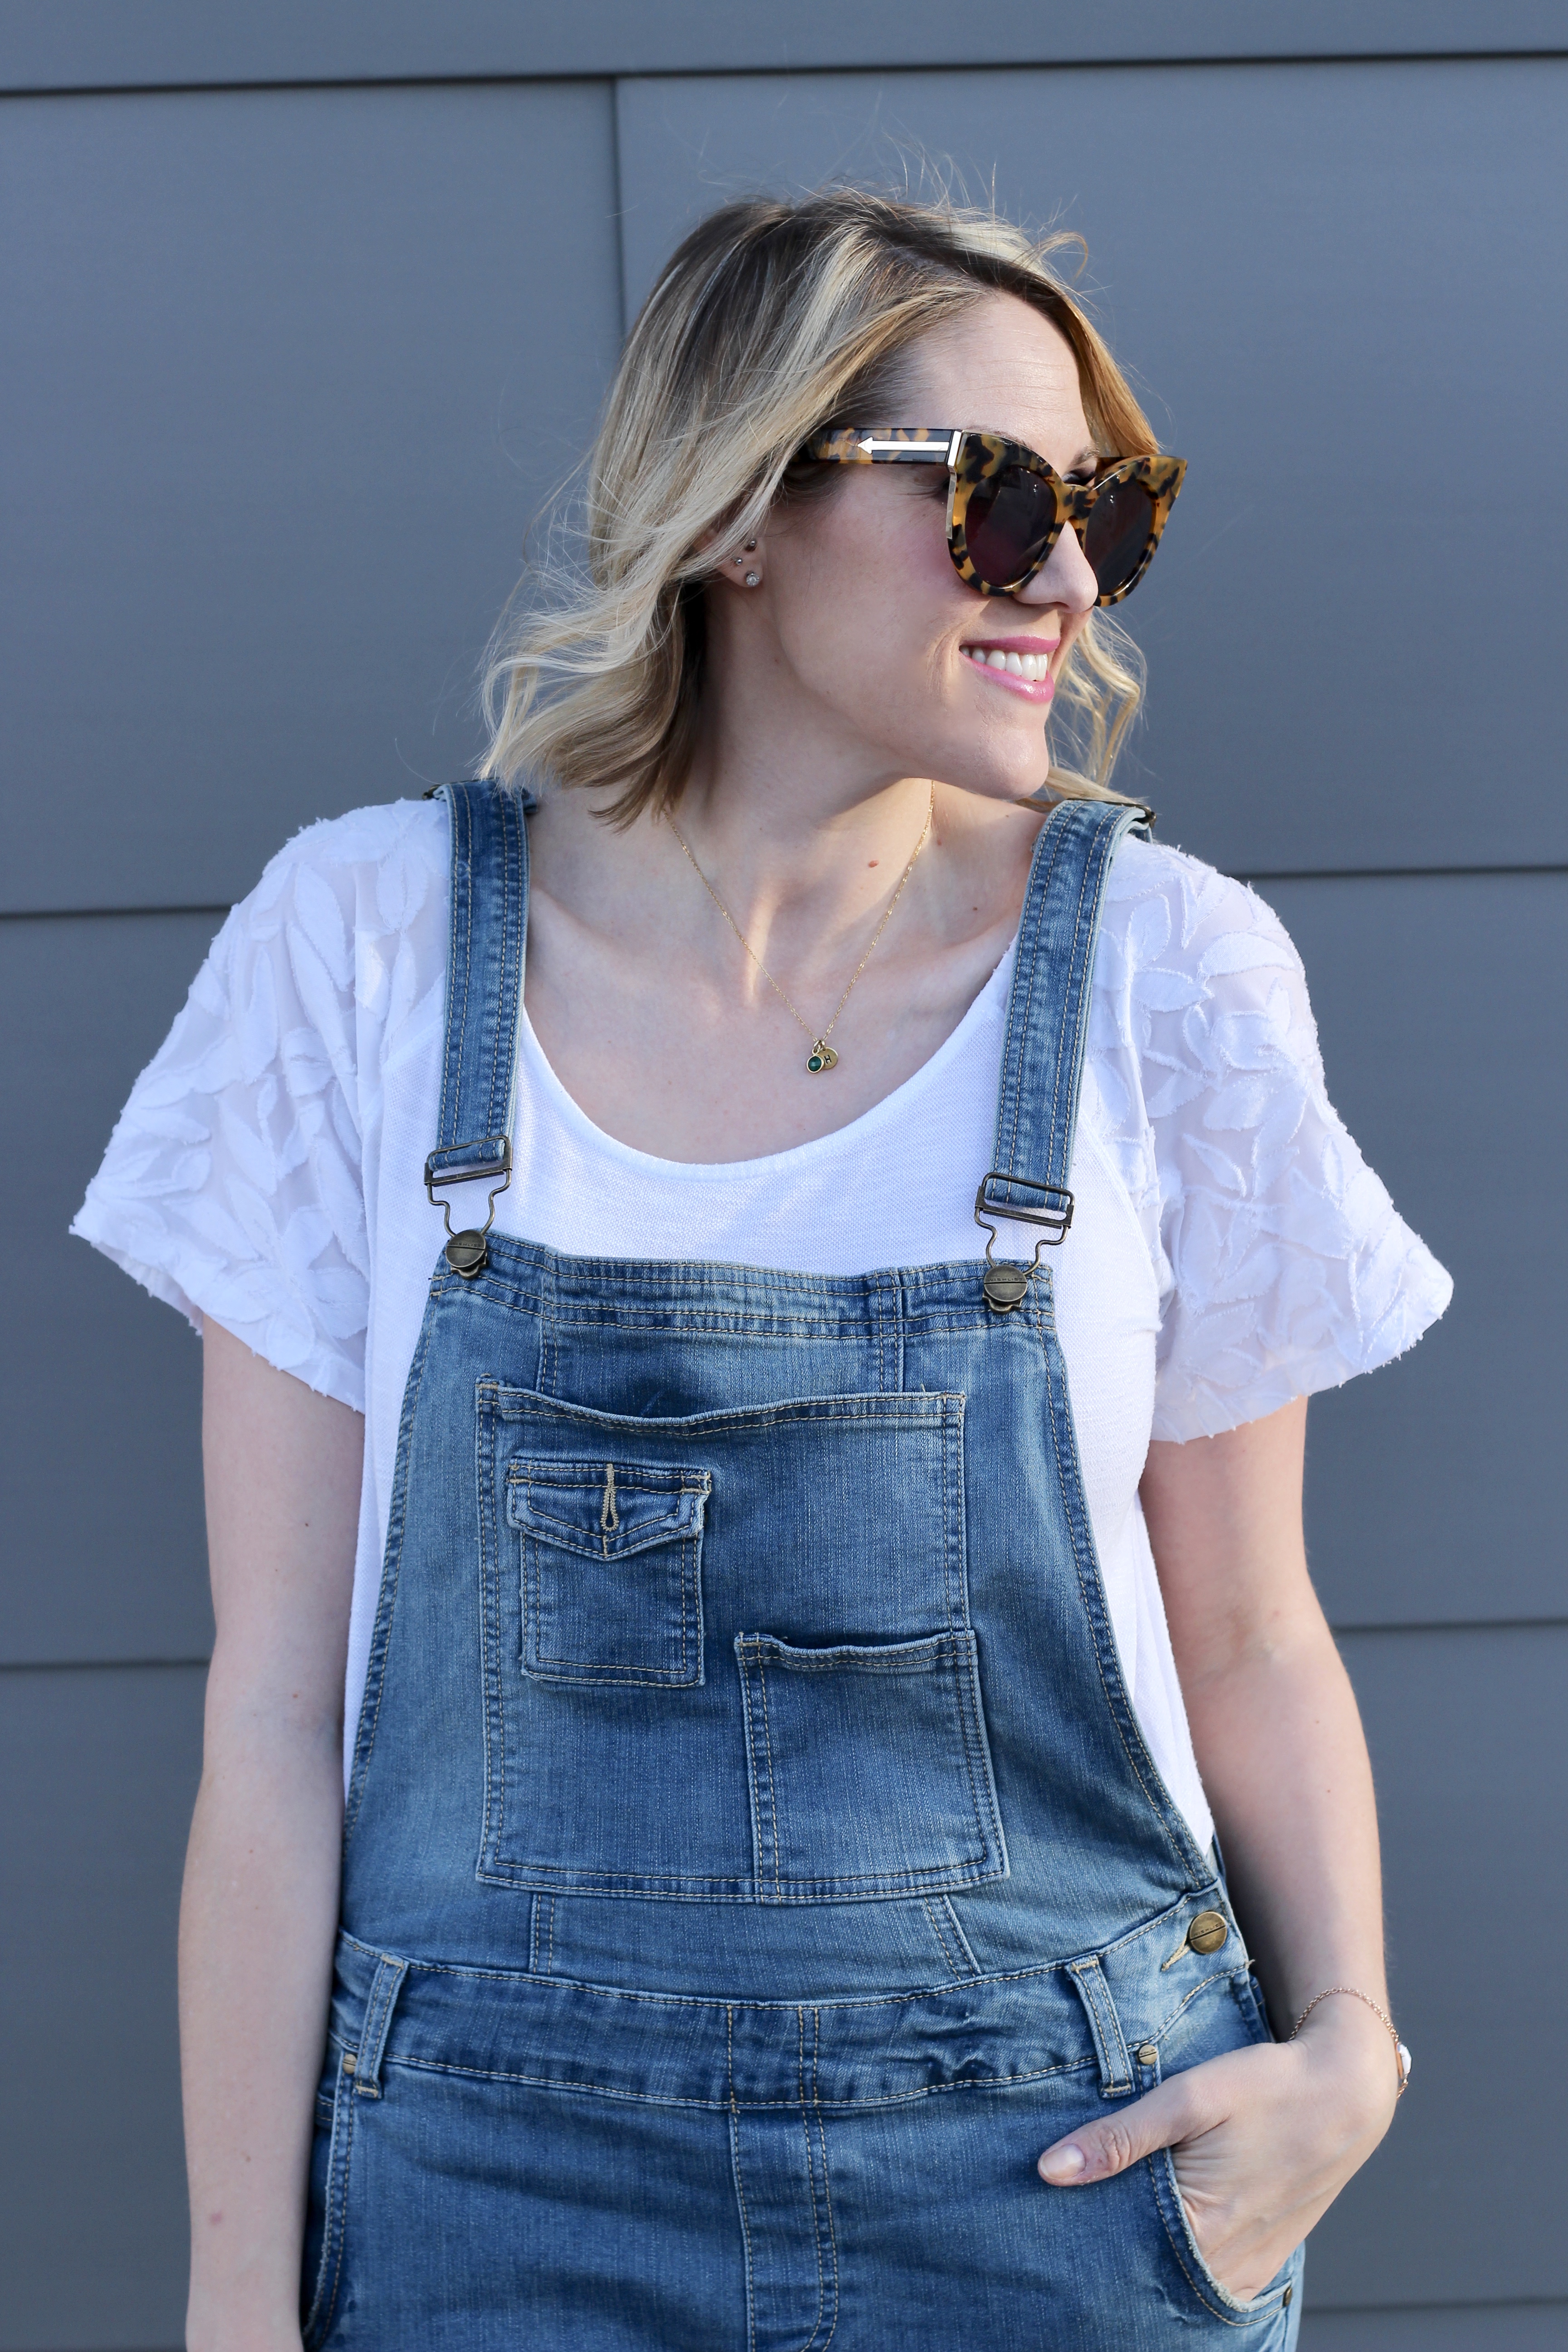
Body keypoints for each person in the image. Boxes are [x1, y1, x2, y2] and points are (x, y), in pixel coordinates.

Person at [77, 187, 1450, 2350]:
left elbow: (1255, 1627)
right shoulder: (361, 951)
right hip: (479, 2209)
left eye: (1111, 506)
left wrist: (1353, 2052)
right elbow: (269, 1710)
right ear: (737, 508)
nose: (1071, 577)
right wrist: (238, 2305)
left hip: (1059, 2194)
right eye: (997, 500)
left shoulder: (1168, 978)